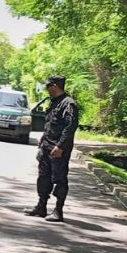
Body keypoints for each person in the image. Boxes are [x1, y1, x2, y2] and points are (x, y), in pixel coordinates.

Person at [24, 75, 78, 222]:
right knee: (43, 178)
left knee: (59, 179)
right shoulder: (53, 103)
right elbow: (50, 124)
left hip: (58, 149)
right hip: (46, 146)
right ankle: (41, 207)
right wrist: (43, 139)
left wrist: (60, 146)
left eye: (48, 86)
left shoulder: (68, 104)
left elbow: (70, 127)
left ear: (54, 86)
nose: (47, 89)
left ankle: (58, 211)